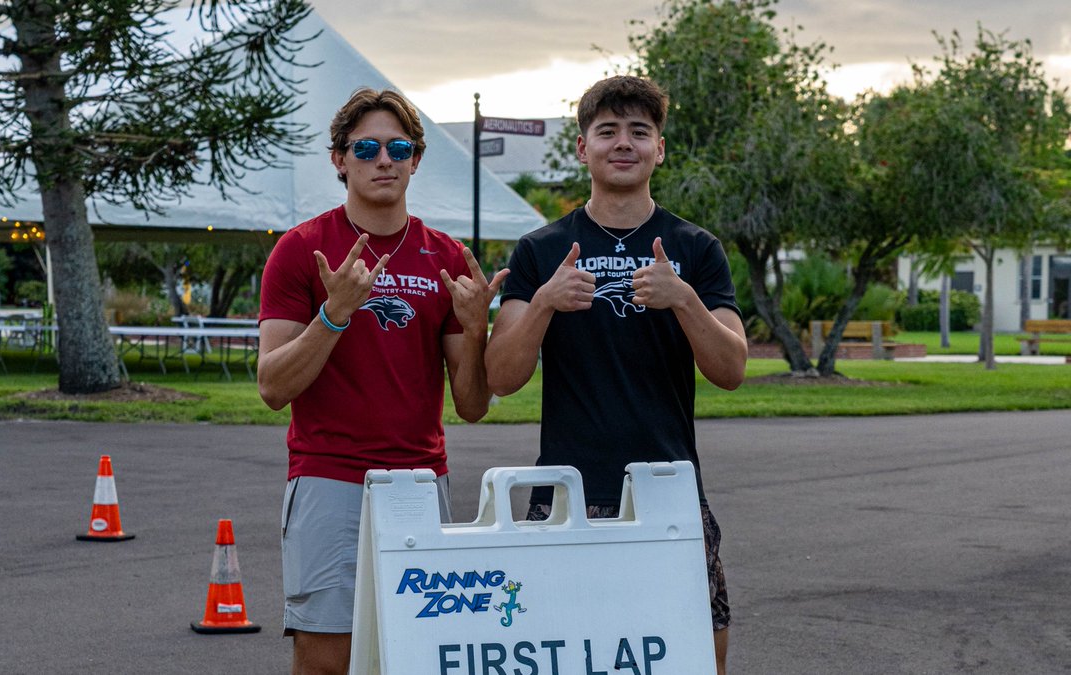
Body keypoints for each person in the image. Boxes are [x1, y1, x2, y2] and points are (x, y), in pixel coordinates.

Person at [484, 75, 747, 674]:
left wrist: (683, 299)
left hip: (669, 485)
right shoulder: (541, 249)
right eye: (607, 131)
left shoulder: (696, 248)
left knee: (700, 650)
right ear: (583, 148)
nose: (622, 143)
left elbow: (731, 369)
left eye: (639, 131)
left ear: (660, 149)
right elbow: (501, 376)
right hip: (569, 490)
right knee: (565, 651)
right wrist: (546, 301)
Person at [257, 87, 507, 675]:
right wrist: (333, 314)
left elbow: (472, 406)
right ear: (339, 159)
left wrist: (476, 331)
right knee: (326, 656)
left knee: (417, 654)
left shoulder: (443, 256)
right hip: (329, 479)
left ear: (416, 160)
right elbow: (272, 386)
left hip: (421, 485)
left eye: (398, 147)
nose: (383, 159)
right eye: (365, 147)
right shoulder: (301, 251)